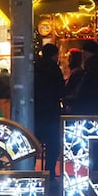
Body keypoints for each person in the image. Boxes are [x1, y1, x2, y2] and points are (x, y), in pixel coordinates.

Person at [33, 43, 64, 180]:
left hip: (37, 110)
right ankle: (49, 171)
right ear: (54, 55)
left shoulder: (34, 67)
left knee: (34, 141)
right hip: (51, 110)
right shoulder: (54, 68)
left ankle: (31, 170)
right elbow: (60, 88)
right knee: (53, 142)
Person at [68, 40, 98, 116]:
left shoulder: (90, 66)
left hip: (89, 104)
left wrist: (74, 98)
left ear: (86, 53)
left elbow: (85, 85)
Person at [62, 48, 84, 114]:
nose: (67, 60)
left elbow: (70, 89)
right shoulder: (75, 72)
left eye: (69, 58)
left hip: (74, 106)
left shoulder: (76, 73)